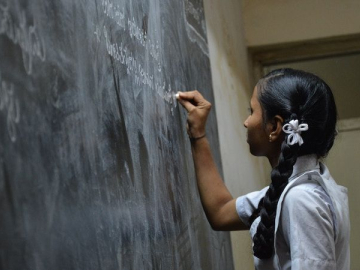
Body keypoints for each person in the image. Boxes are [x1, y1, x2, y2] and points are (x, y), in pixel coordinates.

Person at [176, 68, 350, 270]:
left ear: (275, 128)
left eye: (252, 112)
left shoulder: (302, 199)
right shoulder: (297, 188)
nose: (246, 122)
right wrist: (198, 134)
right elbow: (221, 212)